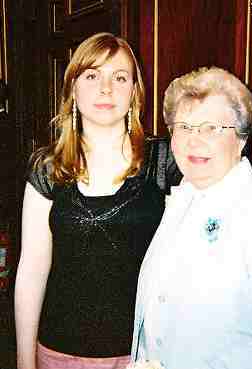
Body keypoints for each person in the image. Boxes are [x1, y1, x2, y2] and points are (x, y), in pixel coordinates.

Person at [131, 67, 252, 369]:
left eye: (211, 128)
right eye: (184, 127)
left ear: (242, 139)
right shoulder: (182, 199)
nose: (194, 140)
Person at [14, 32, 181, 369]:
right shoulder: (47, 168)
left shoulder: (166, 160)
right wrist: (23, 359)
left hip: (145, 355)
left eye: (119, 78)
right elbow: (32, 269)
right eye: (92, 76)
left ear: (134, 91)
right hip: (60, 351)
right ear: (73, 89)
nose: (106, 88)